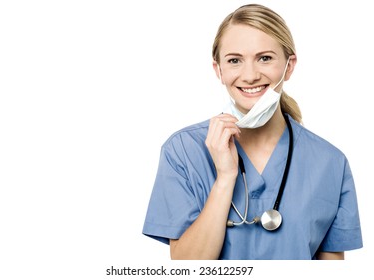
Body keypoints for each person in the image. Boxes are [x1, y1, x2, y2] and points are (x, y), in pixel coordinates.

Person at [142, 4, 363, 260]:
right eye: (234, 60)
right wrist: (225, 177)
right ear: (219, 70)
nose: (250, 75)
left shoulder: (330, 162)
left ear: (289, 66)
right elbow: (186, 268)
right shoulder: (183, 151)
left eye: (265, 58)